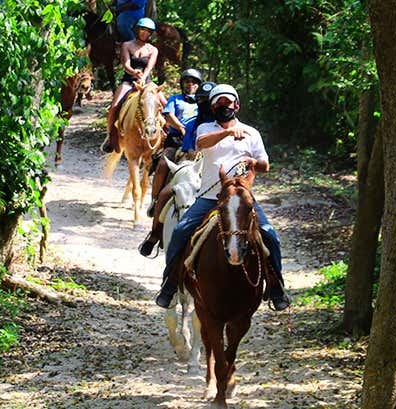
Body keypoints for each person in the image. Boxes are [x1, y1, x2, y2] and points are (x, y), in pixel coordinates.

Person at [153, 84, 291, 311]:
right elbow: (201, 144)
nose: (224, 107)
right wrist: (227, 133)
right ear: (212, 107)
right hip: (209, 196)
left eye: (228, 103)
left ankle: (276, 287)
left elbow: (265, 165)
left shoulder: (252, 132)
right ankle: (170, 284)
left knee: (269, 235)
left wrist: (253, 163)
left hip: (242, 197)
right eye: (218, 103)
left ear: (236, 105)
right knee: (181, 231)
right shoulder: (205, 128)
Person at [138, 69, 203, 257]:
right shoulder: (175, 99)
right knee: (163, 165)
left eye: (194, 82)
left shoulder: (203, 103)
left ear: (198, 84)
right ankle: (155, 210)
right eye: (187, 82)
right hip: (176, 141)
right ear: (182, 84)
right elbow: (168, 116)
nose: (190, 85)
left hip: (198, 147)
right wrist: (181, 128)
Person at [102, 17, 159, 153]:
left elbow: (149, 67)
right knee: (114, 107)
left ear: (151, 33)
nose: (145, 33)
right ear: (137, 30)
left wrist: (143, 78)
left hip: (147, 81)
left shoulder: (153, 49)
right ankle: (110, 136)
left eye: (148, 31)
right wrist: (135, 72)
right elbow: (126, 65)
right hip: (129, 80)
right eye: (142, 30)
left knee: (163, 103)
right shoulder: (127, 45)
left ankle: (166, 135)